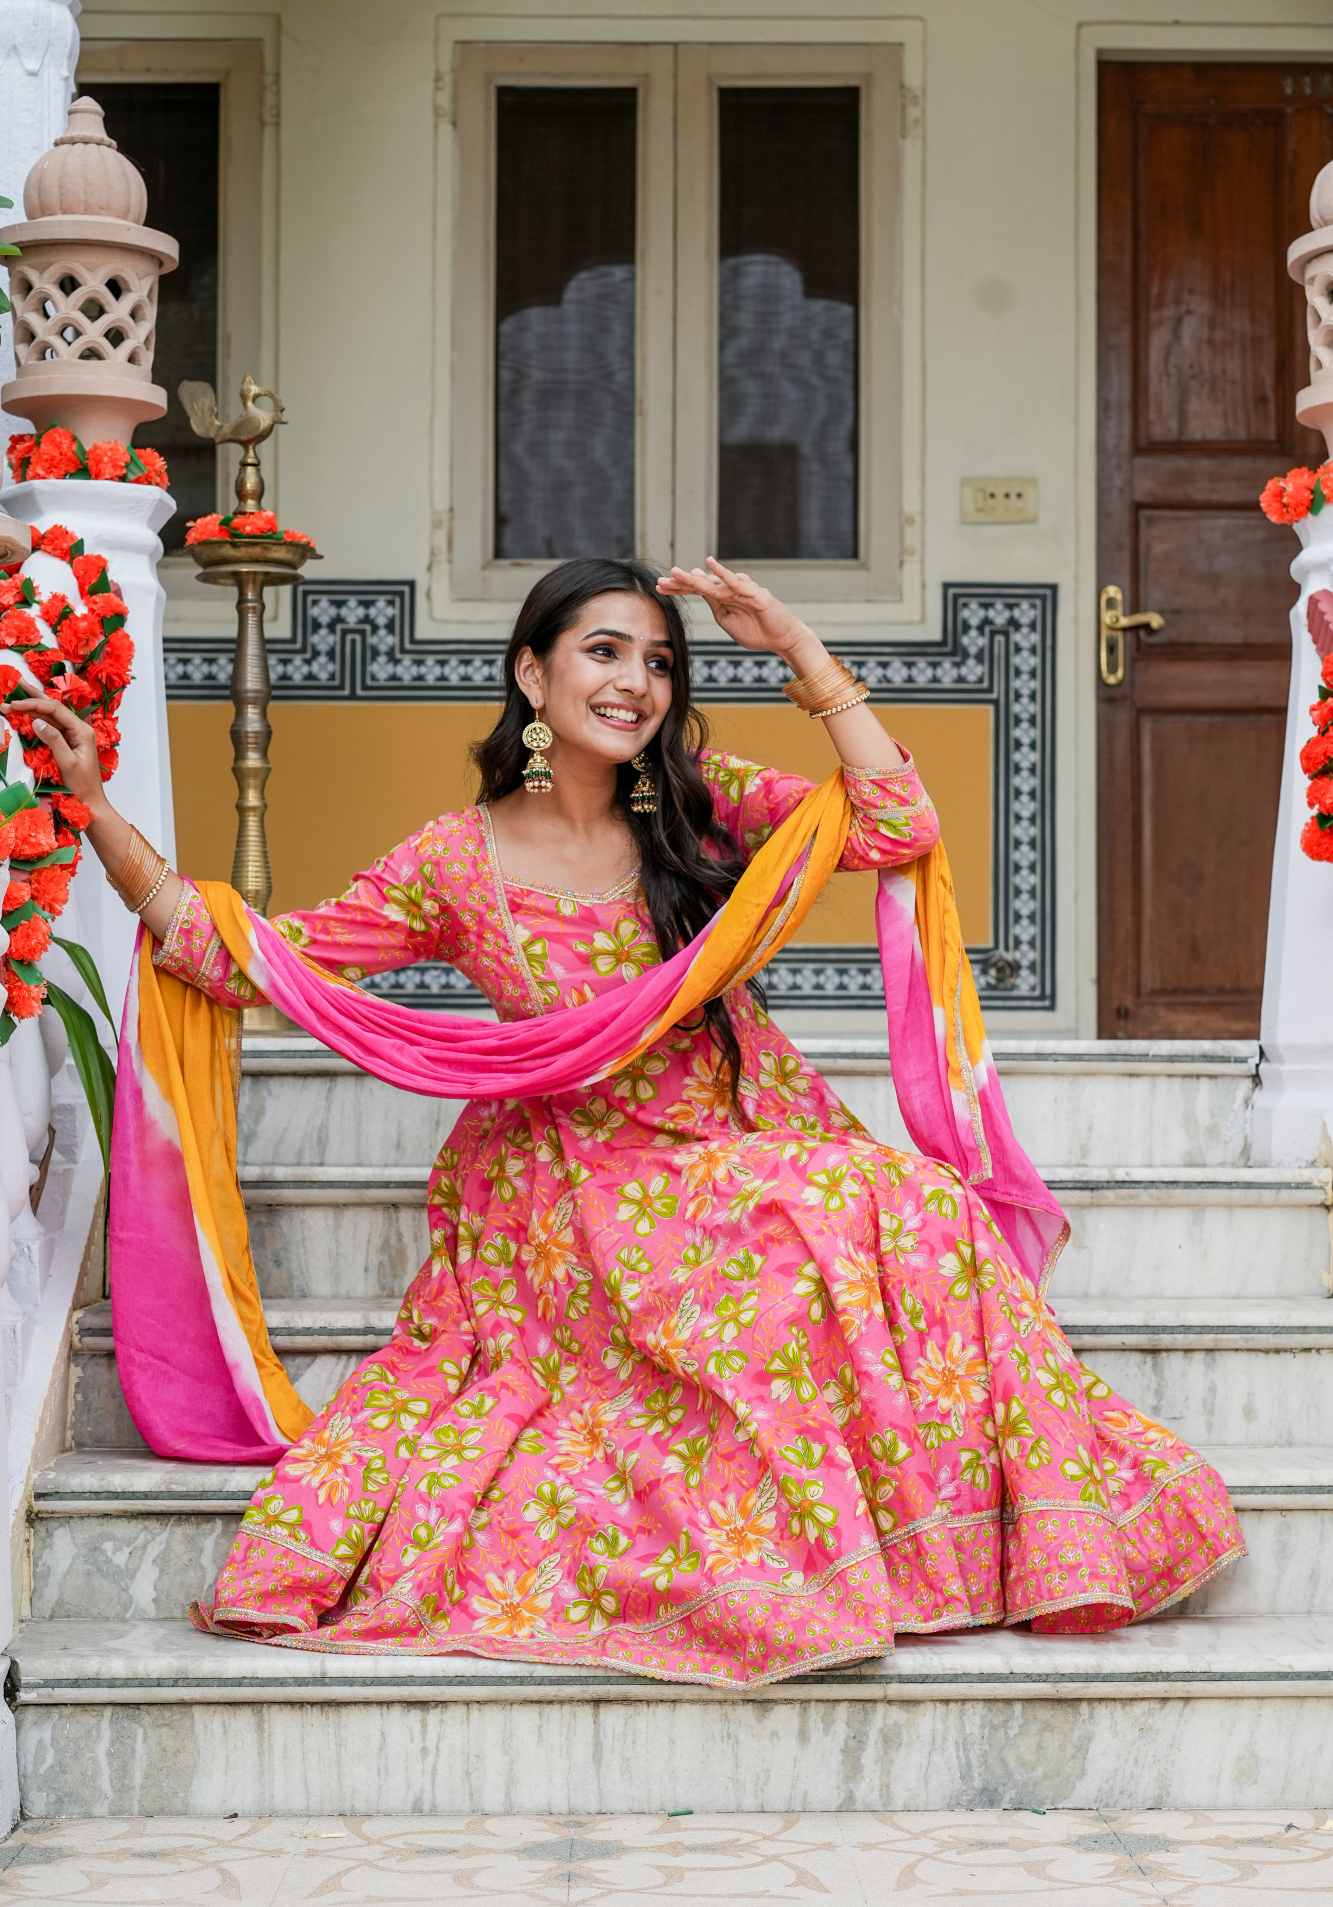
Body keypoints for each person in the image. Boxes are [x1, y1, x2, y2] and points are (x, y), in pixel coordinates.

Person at [23, 556, 1243, 1689]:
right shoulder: (457, 862)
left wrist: (797, 647)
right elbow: (242, 960)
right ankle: (779, 1568)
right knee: (783, 1236)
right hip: (569, 1173)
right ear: (531, 673)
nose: (636, 684)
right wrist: (98, 815)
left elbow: (895, 823)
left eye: (658, 661)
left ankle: (959, 1548)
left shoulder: (697, 814)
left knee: (915, 1205)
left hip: (737, 1125)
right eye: (604, 652)